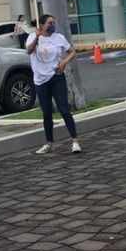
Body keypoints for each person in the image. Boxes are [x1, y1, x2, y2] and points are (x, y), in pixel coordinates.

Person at [26, 14, 81, 154]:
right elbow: (28, 51)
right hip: (40, 80)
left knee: (64, 109)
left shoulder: (59, 37)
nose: (52, 25)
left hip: (56, 77)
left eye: (53, 22)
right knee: (46, 112)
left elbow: (72, 52)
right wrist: (37, 37)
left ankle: (75, 141)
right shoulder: (33, 37)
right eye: (50, 23)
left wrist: (64, 61)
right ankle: (49, 143)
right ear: (42, 25)